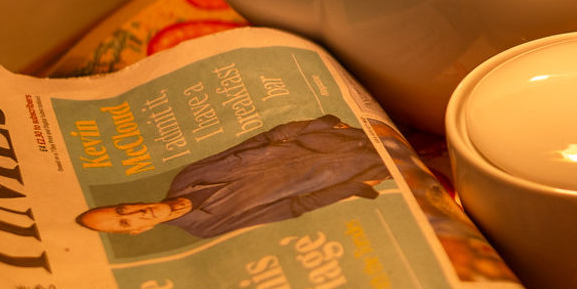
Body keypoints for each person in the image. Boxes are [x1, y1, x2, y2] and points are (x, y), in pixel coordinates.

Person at [76, 113, 392, 239]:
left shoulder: (189, 175)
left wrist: (324, 125)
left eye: (121, 209)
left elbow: (266, 138)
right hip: (352, 170)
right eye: (125, 222)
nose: (134, 213)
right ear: (138, 231)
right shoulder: (207, 227)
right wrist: (356, 186)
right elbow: (293, 208)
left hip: (340, 136)